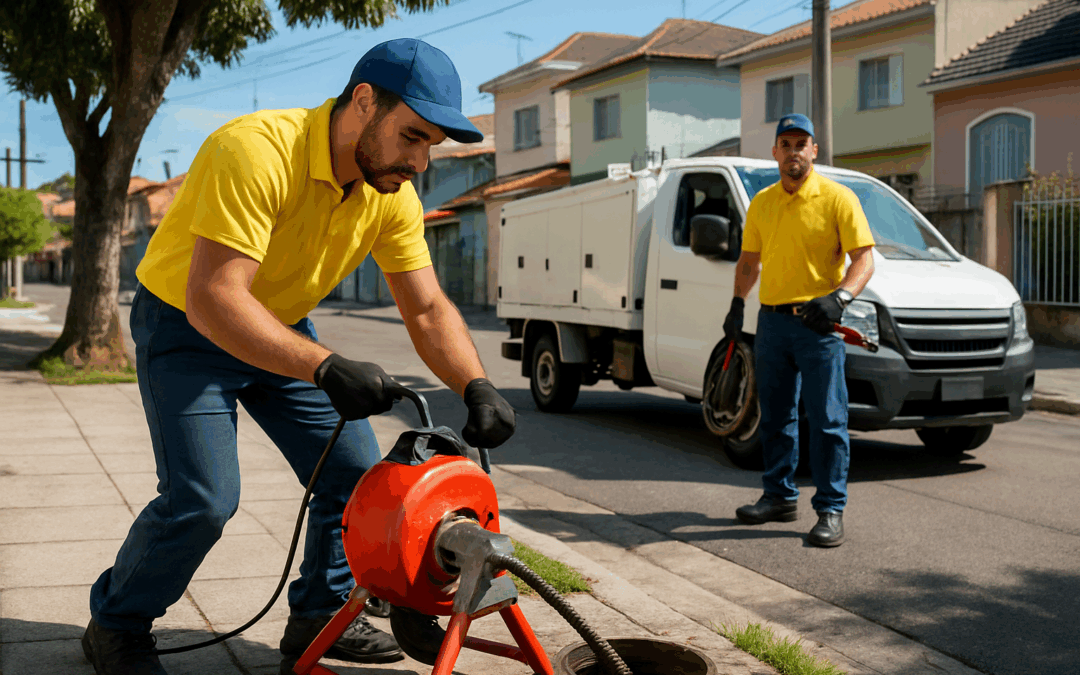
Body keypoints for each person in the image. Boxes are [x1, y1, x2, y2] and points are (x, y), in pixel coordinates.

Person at [81, 39, 516, 675]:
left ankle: (319, 615)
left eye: (432, 146)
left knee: (359, 478)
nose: (421, 162)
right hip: (188, 325)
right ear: (363, 102)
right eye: (412, 137)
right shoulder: (254, 150)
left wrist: (476, 385)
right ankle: (117, 624)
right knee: (203, 500)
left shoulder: (389, 193)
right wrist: (324, 366)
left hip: (281, 326)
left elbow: (426, 309)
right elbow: (215, 297)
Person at [724, 113, 875, 548]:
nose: (794, 151)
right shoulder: (762, 202)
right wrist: (737, 303)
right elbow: (750, 260)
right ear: (775, 152)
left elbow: (864, 259)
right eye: (786, 144)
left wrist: (839, 298)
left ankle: (830, 509)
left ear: (814, 150)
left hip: (818, 325)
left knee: (827, 421)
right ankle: (778, 497)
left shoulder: (838, 198)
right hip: (771, 322)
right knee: (774, 416)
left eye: (801, 144)